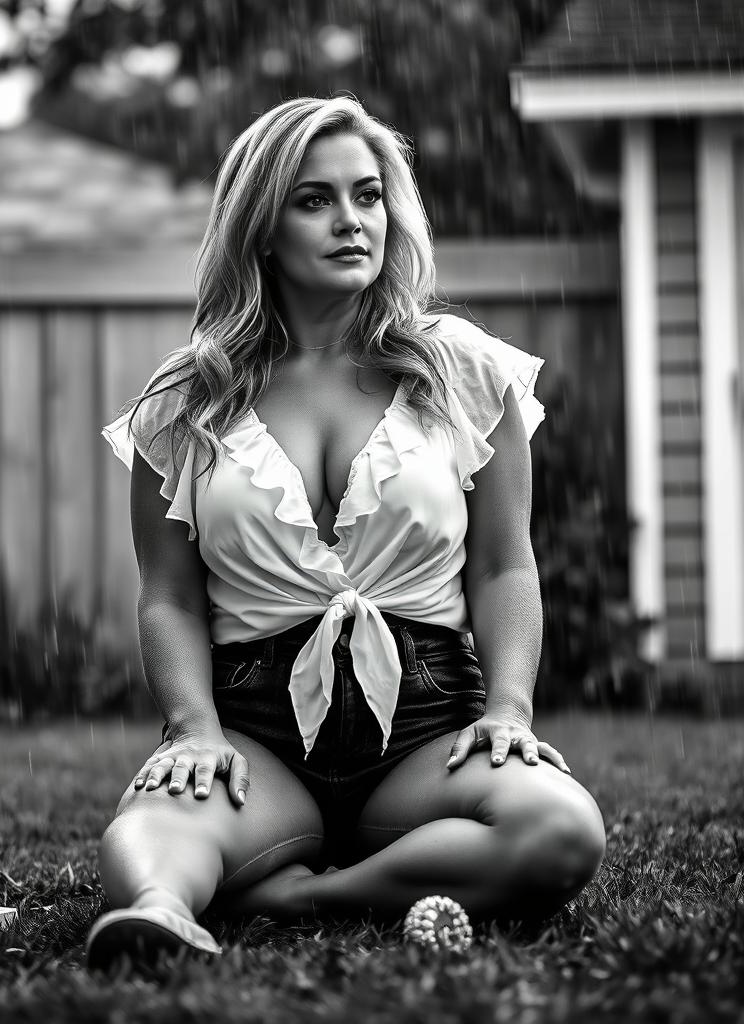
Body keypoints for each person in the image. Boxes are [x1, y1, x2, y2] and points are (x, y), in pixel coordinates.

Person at [86, 95, 606, 969]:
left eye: (367, 196)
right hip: (255, 731)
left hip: (429, 725)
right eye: (314, 200)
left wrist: (510, 708)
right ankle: (163, 912)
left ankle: (300, 896)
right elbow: (169, 595)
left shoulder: (466, 372)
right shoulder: (187, 401)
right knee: (146, 834)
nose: (351, 221)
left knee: (560, 829)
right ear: (260, 225)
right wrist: (192, 729)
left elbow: (506, 566)